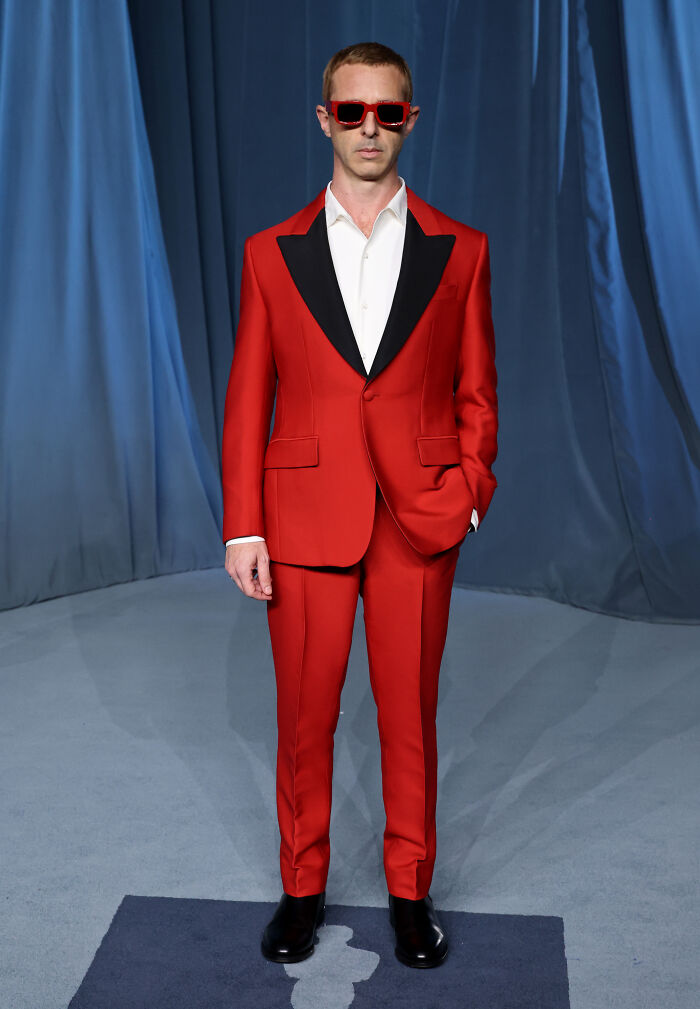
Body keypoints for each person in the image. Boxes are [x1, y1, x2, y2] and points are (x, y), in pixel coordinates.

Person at [221, 41, 498, 969]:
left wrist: (469, 494)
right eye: (352, 111)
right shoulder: (271, 253)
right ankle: (301, 888)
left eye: (386, 112)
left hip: (420, 518)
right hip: (302, 518)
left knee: (409, 715)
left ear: (409, 121)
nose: (368, 128)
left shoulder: (462, 250)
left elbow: (478, 391)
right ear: (325, 119)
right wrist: (244, 524)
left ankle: (411, 893)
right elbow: (248, 395)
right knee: (305, 717)